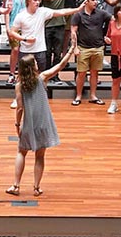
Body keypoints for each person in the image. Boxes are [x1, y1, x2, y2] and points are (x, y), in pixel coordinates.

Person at [6, 42, 75, 198]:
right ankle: (36, 188)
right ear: (33, 66)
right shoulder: (42, 78)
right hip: (44, 123)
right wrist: (71, 49)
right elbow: (60, 65)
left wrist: (17, 124)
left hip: (29, 124)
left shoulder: (19, 85)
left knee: (21, 152)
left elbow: (20, 108)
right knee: (40, 156)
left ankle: (16, 185)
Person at [70, 0, 112, 106]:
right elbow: (73, 32)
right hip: (83, 48)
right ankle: (78, 96)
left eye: (96, 0)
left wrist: (107, 35)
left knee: (95, 73)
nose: (96, 2)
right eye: (93, 0)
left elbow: (114, 20)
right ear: (86, 2)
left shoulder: (101, 13)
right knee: (81, 73)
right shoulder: (78, 15)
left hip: (98, 48)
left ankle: (93, 95)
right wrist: (75, 48)